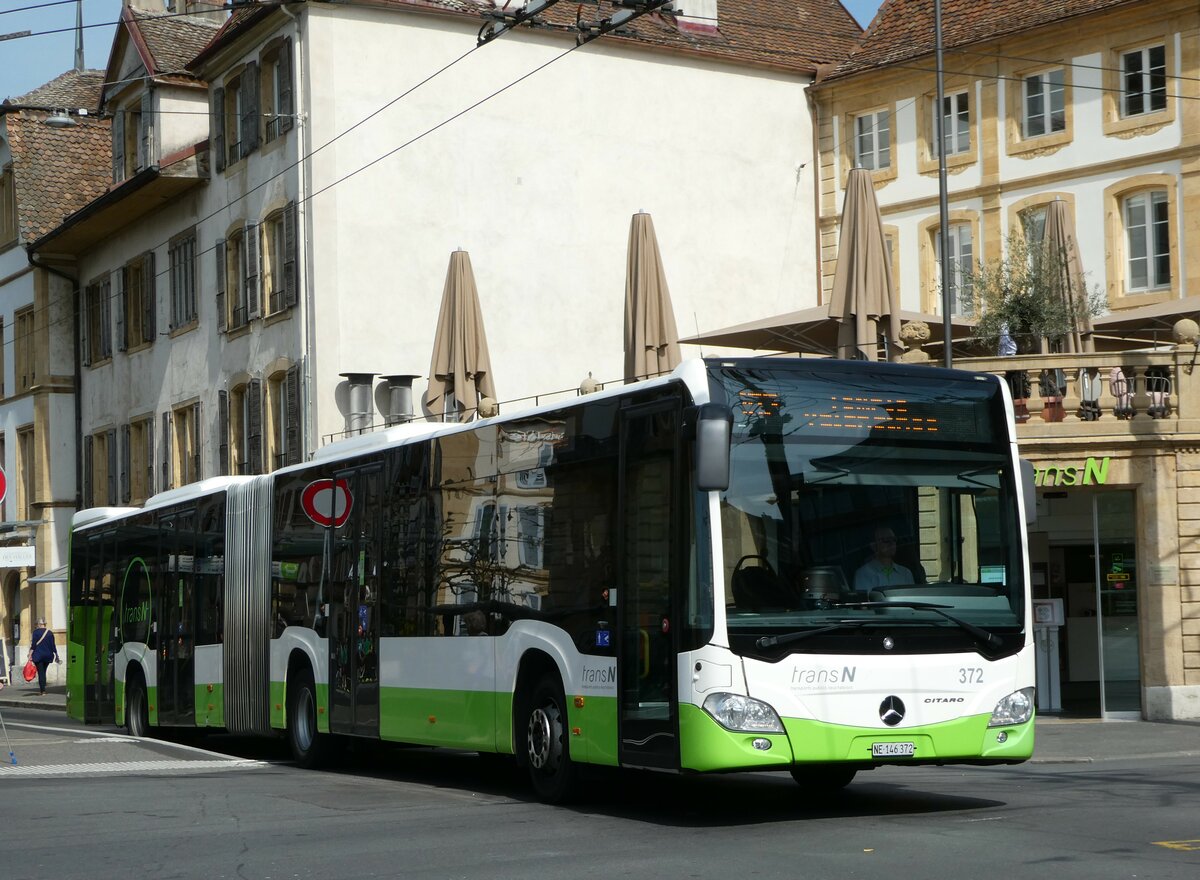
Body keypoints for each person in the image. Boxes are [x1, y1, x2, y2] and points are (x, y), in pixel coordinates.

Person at [854, 526, 914, 591]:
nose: (892, 543)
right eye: (886, 540)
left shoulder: (906, 573)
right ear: (873, 546)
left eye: (894, 539)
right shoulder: (862, 574)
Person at [29, 618, 60, 696]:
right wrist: (56, 654)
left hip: (38, 655)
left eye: (36, 625)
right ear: (44, 624)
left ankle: (42, 691)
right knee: (44, 672)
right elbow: (53, 645)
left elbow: (33, 645)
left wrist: (30, 655)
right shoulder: (50, 633)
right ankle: (43, 690)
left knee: (41, 673)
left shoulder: (35, 633)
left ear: (39, 624)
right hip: (48, 655)